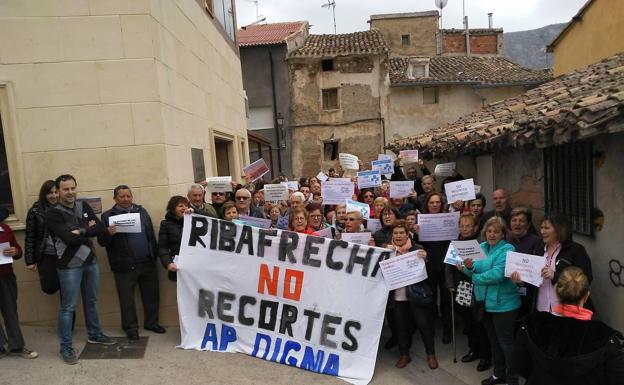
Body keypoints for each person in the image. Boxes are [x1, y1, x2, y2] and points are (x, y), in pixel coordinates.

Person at [45, 174, 115, 365]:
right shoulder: (53, 213)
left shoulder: (83, 206)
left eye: (73, 188)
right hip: (68, 266)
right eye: (66, 189)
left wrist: (82, 230)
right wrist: (86, 229)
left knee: (91, 300)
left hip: (90, 261)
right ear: (58, 191)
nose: (70, 192)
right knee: (68, 307)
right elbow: (68, 238)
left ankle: (94, 334)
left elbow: (100, 227)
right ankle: (66, 346)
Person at [512, 266, 624, 384]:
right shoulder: (606, 338)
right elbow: (617, 378)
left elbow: (520, 366)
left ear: (556, 291)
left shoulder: (531, 325)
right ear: (586, 296)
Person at [98, 185, 165, 340]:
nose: (126, 199)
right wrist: (108, 233)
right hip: (124, 265)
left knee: (151, 295)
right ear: (115, 198)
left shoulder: (141, 211)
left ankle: (152, 322)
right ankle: (131, 328)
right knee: (126, 299)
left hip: (147, 262)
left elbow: (150, 233)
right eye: (122, 196)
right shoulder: (108, 216)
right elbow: (102, 241)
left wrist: (153, 254)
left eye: (129, 196)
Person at [462, 217, 520, 385]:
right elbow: (470, 269)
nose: (492, 234)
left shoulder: (508, 249)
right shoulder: (480, 247)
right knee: (494, 342)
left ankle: (512, 380)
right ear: (484, 232)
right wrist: (469, 267)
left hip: (504, 305)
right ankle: (498, 374)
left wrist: (474, 277)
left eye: (496, 231)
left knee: (506, 344)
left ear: (503, 234)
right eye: (489, 231)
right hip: (484, 303)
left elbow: (498, 274)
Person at [512, 212, 593, 314]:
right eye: (541, 228)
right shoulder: (537, 248)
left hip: (567, 310)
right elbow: (532, 278)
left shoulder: (576, 250)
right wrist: (521, 281)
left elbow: (586, 279)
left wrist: (555, 276)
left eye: (547, 228)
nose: (542, 232)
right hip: (541, 309)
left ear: (559, 230)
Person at [387, 220, 438, 370]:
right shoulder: (387, 251)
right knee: (400, 326)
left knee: (424, 324)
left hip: (416, 295)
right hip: (397, 297)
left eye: (401, 232)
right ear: (392, 235)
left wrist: (426, 260)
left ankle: (431, 354)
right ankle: (404, 354)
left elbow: (430, 273)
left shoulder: (418, 249)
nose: (398, 236)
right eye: (395, 233)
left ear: (407, 234)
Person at [446, 213, 492, 372]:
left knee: (480, 322)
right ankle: (473, 349)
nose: (465, 229)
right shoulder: (455, 243)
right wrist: (450, 284)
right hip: (462, 287)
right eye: (462, 226)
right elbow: (449, 267)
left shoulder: (482, 244)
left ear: (476, 227)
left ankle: (486, 355)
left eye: (468, 226)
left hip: (478, 287)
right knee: (469, 322)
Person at [0, 208, 38, 359]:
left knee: (10, 311)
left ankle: (16, 346)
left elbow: (18, 250)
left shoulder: (5, 229)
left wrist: (15, 251)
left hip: (5, 276)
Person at [419, 192, 453, 344]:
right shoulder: (423, 220)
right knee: (430, 299)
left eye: (437, 202)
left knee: (446, 300)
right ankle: (431, 328)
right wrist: (416, 232)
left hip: (445, 264)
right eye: (432, 202)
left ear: (441, 204)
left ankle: (447, 330)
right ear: (427, 204)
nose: (434, 205)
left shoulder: (448, 219)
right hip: (429, 265)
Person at [24, 180, 60, 294]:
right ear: (44, 194)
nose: (54, 196)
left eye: (56, 192)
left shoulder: (64, 208)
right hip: (46, 255)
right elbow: (30, 237)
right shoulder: (35, 211)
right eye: (50, 193)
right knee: (49, 287)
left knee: (67, 290)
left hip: (64, 254)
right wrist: (30, 260)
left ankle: (68, 310)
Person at [158, 196, 189, 282]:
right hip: (177, 266)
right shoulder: (165, 224)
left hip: (194, 266)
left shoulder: (194, 221)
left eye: (186, 205)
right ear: (172, 208)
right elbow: (162, 247)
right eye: (180, 206)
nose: (184, 208)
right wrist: (168, 263)